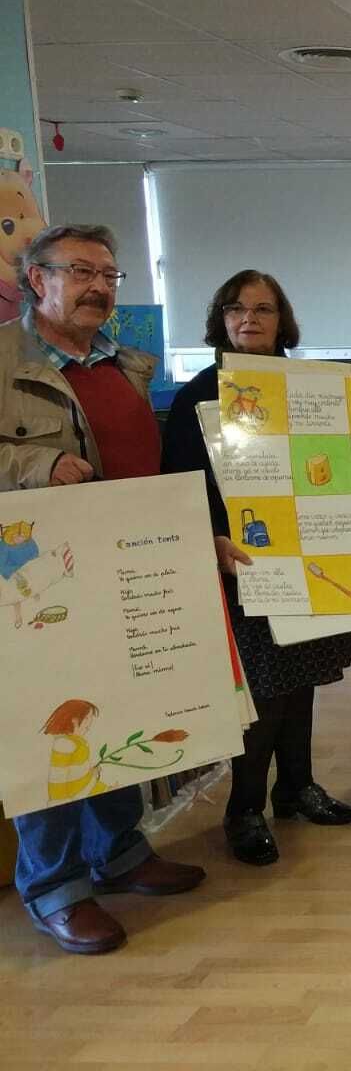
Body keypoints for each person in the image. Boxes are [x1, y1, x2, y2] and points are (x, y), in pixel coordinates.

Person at [0, 223, 207, 954]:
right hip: (38, 583)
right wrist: (37, 467)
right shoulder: (3, 360)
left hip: (124, 567)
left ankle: (118, 852)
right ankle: (54, 886)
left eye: (111, 275)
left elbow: (146, 472)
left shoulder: (124, 365)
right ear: (37, 280)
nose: (100, 287)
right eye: (82, 272)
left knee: (119, 713)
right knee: (53, 725)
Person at [163, 271, 351, 865]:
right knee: (265, 690)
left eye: (264, 309)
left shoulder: (311, 387)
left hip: (315, 552)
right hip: (242, 562)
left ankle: (296, 787)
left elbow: (347, 457)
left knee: (302, 678)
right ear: (220, 319)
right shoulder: (199, 394)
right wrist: (211, 538)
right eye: (237, 308)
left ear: (282, 321)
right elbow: (177, 488)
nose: (249, 319)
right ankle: (243, 809)